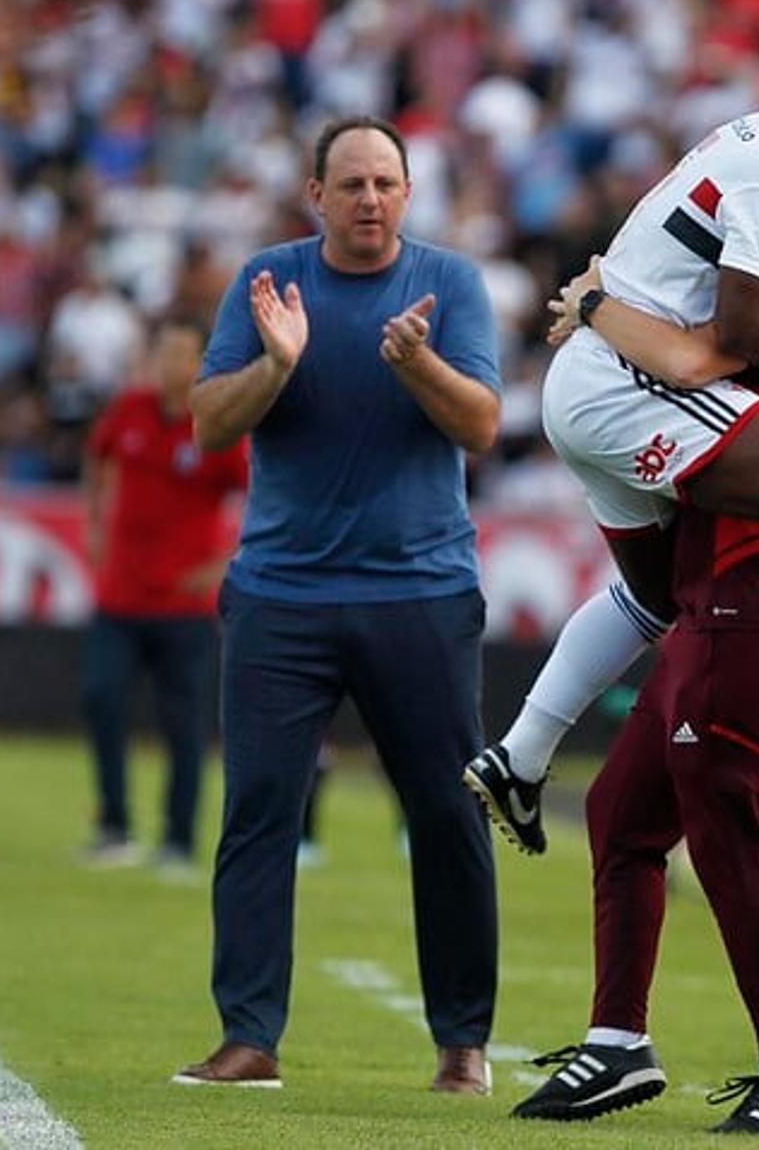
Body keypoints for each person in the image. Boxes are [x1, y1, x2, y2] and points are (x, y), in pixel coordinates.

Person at [465, 20, 759, 855]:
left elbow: (720, 334)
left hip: (595, 384)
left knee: (652, 595)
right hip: (622, 388)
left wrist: (595, 306)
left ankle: (520, 756)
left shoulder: (755, 152)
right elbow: (733, 331)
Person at [511, 184, 759, 1137]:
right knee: (620, 814)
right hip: (708, 594)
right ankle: (617, 1042)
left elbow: (691, 352)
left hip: (755, 596)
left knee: (722, 823)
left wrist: (595, 303)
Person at [173, 116, 502, 1093]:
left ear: (409, 193)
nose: (370, 198)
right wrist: (275, 364)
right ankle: (249, 1035)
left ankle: (462, 1042)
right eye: (351, 183)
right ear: (315, 194)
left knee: (448, 813)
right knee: (260, 810)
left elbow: (481, 423)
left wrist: (417, 362)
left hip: (421, 591)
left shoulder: (453, 284)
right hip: (282, 594)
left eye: (386, 182)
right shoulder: (268, 282)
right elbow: (205, 423)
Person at [81, 315, 248, 871]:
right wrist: (95, 524)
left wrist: (223, 563)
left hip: (184, 603)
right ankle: (113, 824)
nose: (171, 365)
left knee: (185, 722)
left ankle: (178, 837)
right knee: (101, 698)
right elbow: (97, 458)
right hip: (120, 594)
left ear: (201, 363)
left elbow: (262, 495)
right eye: (164, 354)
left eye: (182, 354)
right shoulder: (128, 410)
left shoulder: (216, 425)